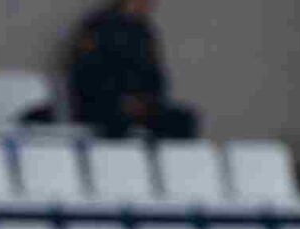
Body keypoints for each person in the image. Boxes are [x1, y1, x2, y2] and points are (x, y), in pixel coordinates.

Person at [66, 0, 200, 140]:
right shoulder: (99, 27)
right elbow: (87, 75)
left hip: (141, 105)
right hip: (105, 103)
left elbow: (155, 75)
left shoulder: (143, 32)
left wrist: (148, 100)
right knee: (117, 120)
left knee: (182, 121)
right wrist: (122, 100)